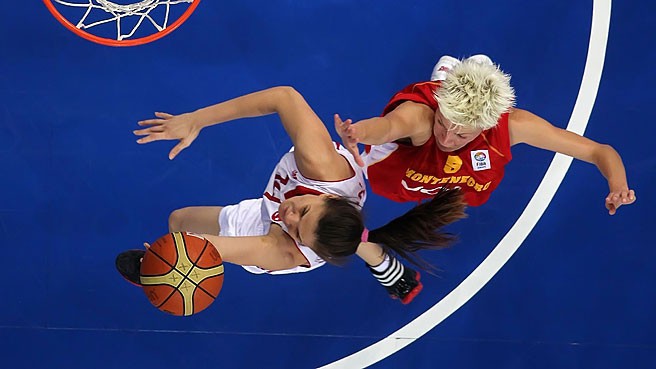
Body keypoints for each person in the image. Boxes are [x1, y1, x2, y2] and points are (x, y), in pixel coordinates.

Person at [335, 55, 637, 303]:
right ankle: (446, 76)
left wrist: (617, 186)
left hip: (450, 181)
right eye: (444, 123)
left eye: (461, 133)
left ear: (485, 126)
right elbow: (388, 126)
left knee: (458, 181)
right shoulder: (424, 118)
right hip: (398, 172)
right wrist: (359, 132)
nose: (447, 138)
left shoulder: (512, 126)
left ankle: (460, 70)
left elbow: (599, 151)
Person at [115, 86, 466, 283]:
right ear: (330, 199)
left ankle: (383, 265)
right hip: (321, 216)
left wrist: (166, 260)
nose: (289, 216)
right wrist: (196, 120)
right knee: (353, 240)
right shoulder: (319, 164)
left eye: (298, 228)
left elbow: (206, 251)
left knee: (178, 224)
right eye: (304, 211)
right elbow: (284, 97)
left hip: (263, 232)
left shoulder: (284, 247)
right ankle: (384, 264)